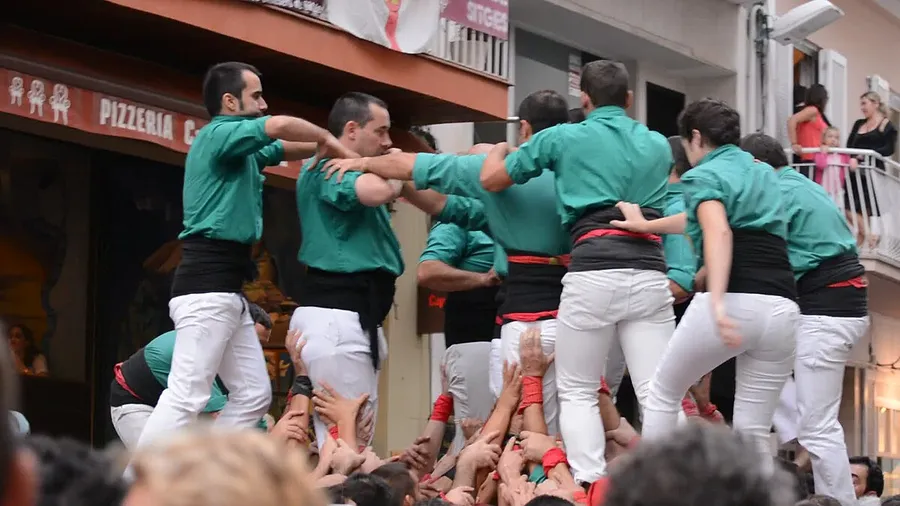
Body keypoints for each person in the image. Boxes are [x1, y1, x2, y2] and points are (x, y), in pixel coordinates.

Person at [317, 89, 573, 436]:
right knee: (574, 411)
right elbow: (448, 207)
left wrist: (362, 163)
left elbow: (422, 172)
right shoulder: (585, 176)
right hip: (578, 312)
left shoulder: (502, 173)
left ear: (524, 128)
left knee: (517, 420)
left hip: (523, 315)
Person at [135, 61, 351, 448]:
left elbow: (286, 144)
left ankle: (212, 472)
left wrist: (336, 147)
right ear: (230, 102)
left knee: (253, 394)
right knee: (187, 395)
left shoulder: (242, 148)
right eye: (257, 96)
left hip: (226, 292)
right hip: (207, 287)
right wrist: (329, 140)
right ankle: (132, 487)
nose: (264, 104)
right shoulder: (219, 134)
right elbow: (282, 127)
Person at [480, 60, 675, 483]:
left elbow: (493, 179)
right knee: (657, 392)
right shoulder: (659, 144)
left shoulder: (563, 137)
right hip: (648, 271)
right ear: (628, 100)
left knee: (578, 390)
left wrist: (497, 149)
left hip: (592, 267)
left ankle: (587, 483)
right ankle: (667, 487)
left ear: (583, 100)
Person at [612, 99, 799, 468]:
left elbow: (718, 229)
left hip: (735, 299)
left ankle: (662, 494)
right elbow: (705, 216)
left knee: (662, 392)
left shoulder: (703, 175)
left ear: (695, 137)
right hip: (783, 307)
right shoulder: (760, 170)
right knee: (754, 430)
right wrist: (647, 226)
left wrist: (715, 301)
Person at [291, 92, 425, 449]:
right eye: (380, 132)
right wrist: (394, 168)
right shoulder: (327, 165)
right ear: (351, 129)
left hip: (354, 319)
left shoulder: (355, 164)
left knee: (354, 437)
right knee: (344, 440)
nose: (388, 142)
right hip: (338, 317)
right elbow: (378, 191)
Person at [741, 132, 868, 506]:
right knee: (770, 363)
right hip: (835, 307)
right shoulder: (800, 185)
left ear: (758, 167)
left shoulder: (779, 194)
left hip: (827, 311)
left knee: (818, 427)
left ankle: (839, 502)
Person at [110, 303, 273, 449]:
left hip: (175, 410)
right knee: (160, 467)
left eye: (262, 346)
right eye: (253, 342)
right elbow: (221, 416)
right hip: (136, 403)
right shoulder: (201, 348)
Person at [418, 222, 500, 451]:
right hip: (475, 338)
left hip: (516, 334)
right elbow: (428, 271)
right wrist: (483, 279)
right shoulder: (458, 221)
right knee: (478, 435)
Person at [845, 91, 897, 248]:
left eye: (864, 103)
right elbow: (849, 146)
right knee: (849, 208)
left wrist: (867, 154)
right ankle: (870, 237)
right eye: (861, 104)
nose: (862, 107)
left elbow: (888, 149)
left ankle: (861, 249)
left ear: (875, 104)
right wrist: (855, 157)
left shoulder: (886, 125)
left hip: (872, 174)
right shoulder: (858, 124)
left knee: (864, 211)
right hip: (855, 174)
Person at [789, 84, 830, 178]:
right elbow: (792, 120)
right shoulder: (812, 110)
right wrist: (794, 143)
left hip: (816, 159)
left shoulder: (816, 113)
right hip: (810, 159)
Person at [813, 127, 850, 205]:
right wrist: (823, 153)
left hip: (837, 190)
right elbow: (821, 165)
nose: (833, 139)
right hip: (823, 189)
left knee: (838, 210)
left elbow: (849, 166)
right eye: (830, 136)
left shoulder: (842, 154)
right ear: (823, 139)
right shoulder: (819, 153)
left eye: (836, 137)